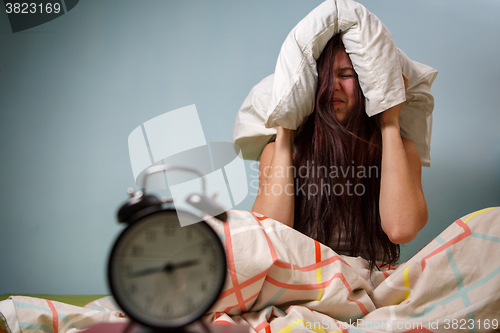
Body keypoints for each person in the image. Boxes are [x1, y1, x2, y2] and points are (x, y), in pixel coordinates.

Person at [252, 34, 428, 269]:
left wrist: (389, 123)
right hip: (307, 279)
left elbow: (401, 230)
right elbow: (268, 237)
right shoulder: (278, 151)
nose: (333, 86)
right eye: (322, 78)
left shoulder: (403, 150)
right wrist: (285, 129)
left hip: (375, 279)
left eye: (346, 75)